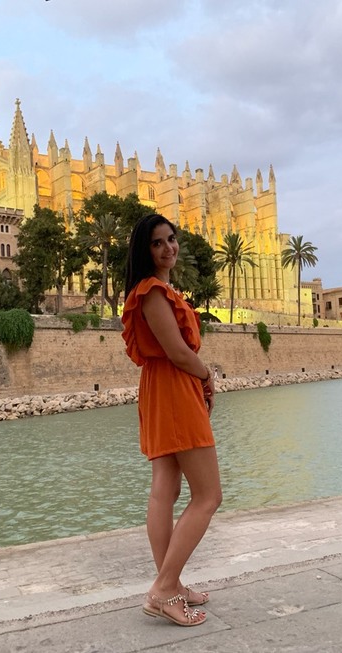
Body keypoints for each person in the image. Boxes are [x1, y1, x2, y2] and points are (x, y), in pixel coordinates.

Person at [121, 214, 221, 627]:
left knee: (166, 487)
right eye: (158, 243)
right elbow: (178, 352)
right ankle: (163, 590)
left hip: (160, 389)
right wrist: (207, 375)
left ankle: (172, 583)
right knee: (208, 495)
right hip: (175, 389)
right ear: (145, 251)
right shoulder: (153, 293)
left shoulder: (151, 291)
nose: (169, 248)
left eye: (172, 239)